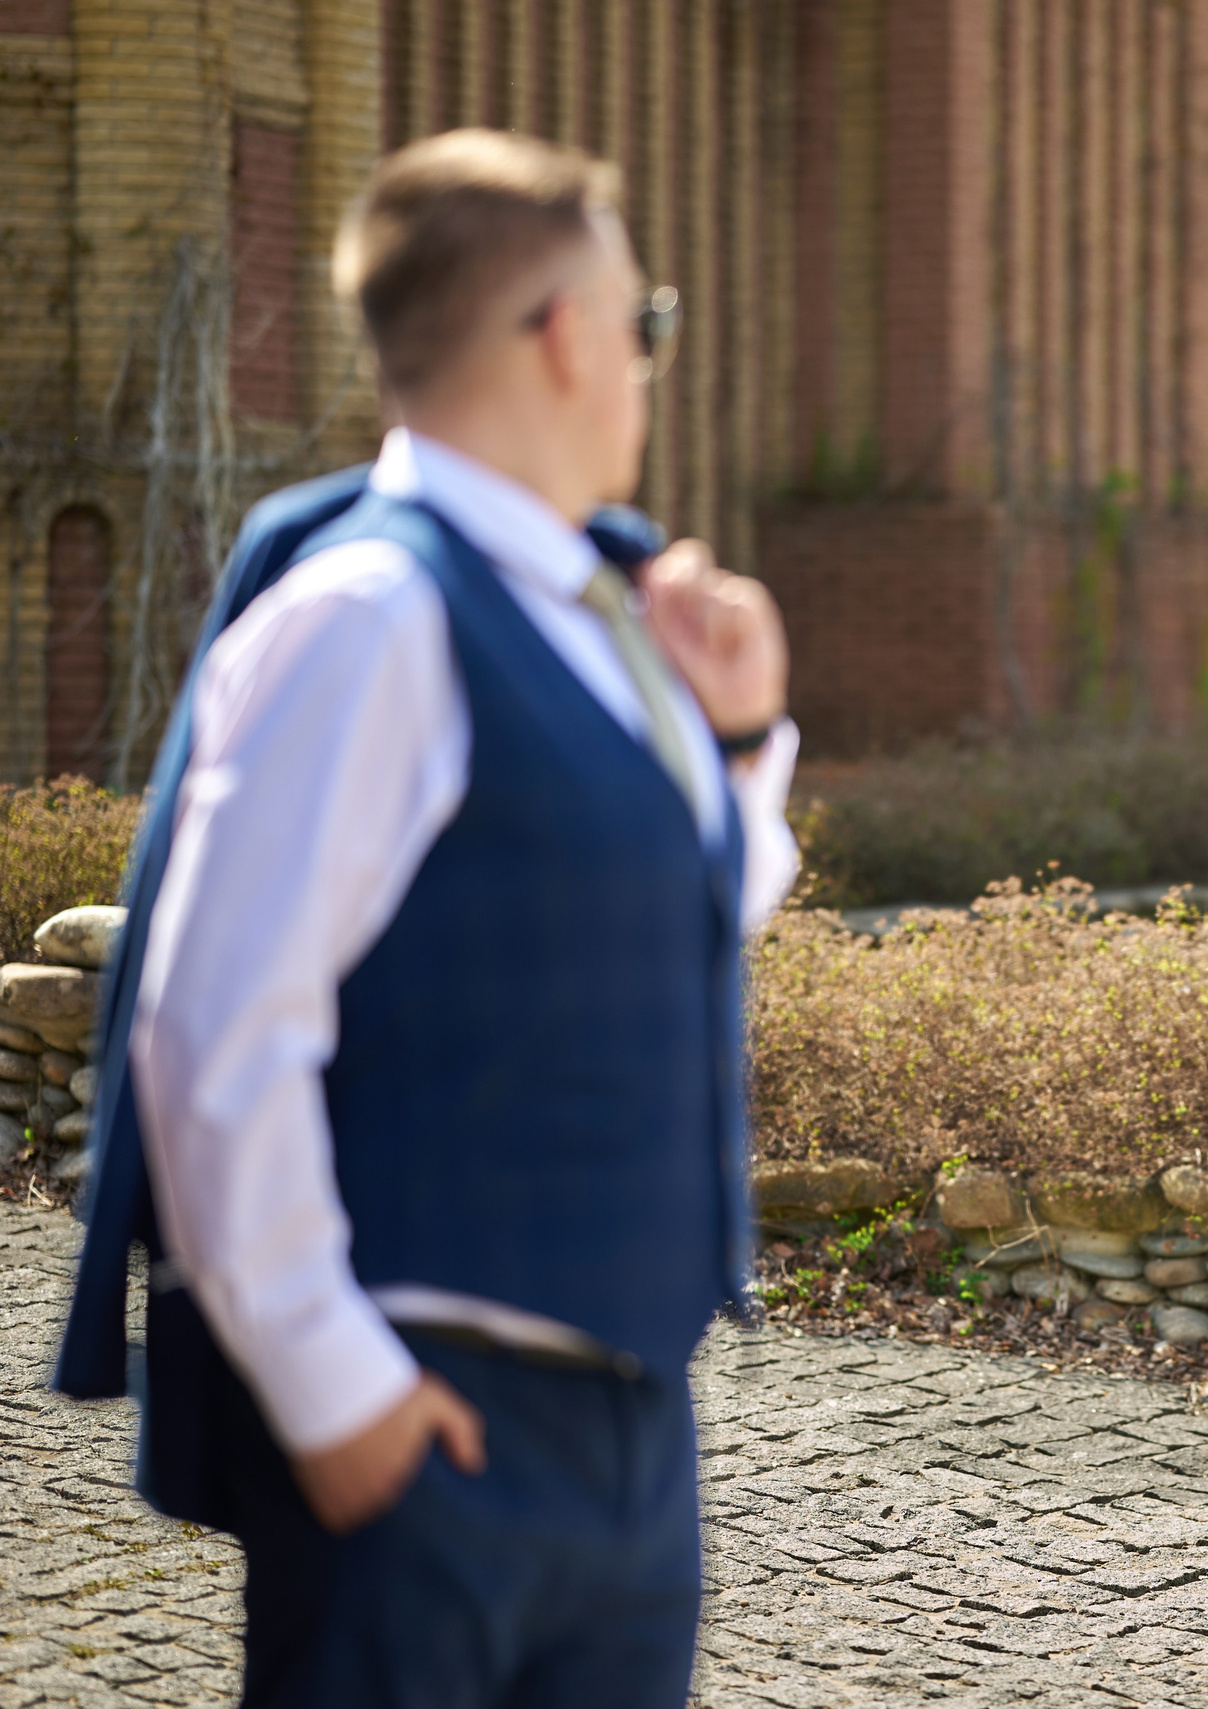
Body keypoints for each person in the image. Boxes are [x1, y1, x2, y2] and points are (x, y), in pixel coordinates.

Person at [64, 129, 798, 1706]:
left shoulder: (602, 613)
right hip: (422, 1427)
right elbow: (211, 1025)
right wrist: (338, 1397)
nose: (648, 365)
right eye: (644, 324)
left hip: (626, 1431)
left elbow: (687, 918)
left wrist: (741, 740)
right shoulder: (367, 612)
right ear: (561, 336)